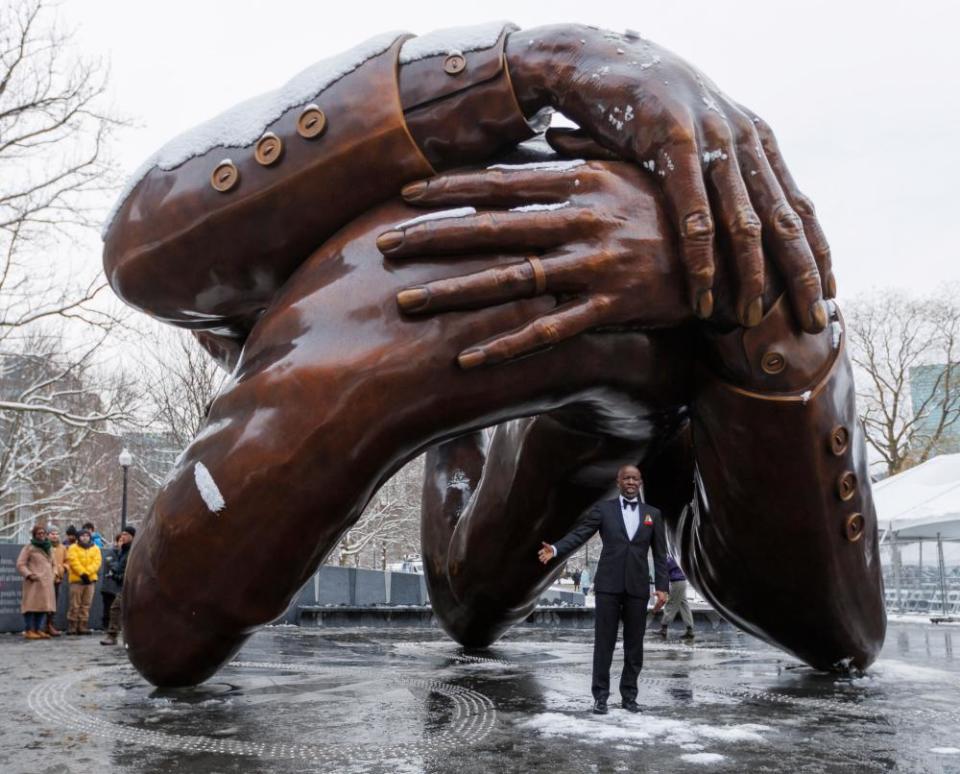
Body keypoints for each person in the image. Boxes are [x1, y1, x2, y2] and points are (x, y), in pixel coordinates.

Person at [538, 465, 667, 715]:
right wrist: (555, 549)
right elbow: (580, 534)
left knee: (634, 646)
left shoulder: (653, 514)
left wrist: (662, 587)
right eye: (626, 478)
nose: (630, 482)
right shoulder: (603, 510)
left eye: (635, 478)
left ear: (640, 483)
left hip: (638, 588)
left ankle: (629, 696)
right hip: (608, 586)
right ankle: (600, 697)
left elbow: (660, 554)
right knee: (604, 643)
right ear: (618, 482)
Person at [16, 525, 56, 641]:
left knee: (43, 607)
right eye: (39, 533)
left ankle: (38, 629)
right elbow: (20, 564)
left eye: (43, 533)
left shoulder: (49, 548)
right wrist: (29, 575)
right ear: (34, 535)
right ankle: (29, 630)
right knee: (30, 606)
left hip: (47, 583)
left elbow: (53, 563)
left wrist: (54, 574)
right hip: (34, 582)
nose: (42, 535)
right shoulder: (29, 547)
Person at [101, 526, 135, 646]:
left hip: (132, 584)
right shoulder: (123, 550)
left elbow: (123, 568)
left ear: (132, 536)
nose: (122, 537)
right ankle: (113, 634)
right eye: (122, 534)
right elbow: (120, 569)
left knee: (116, 608)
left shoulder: (132, 550)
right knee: (117, 608)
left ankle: (113, 634)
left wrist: (112, 564)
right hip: (125, 584)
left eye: (125, 534)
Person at [65, 528, 102, 635]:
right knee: (74, 604)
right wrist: (82, 573)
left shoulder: (96, 548)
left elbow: (97, 562)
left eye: (87, 535)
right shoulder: (72, 548)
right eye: (82, 535)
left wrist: (88, 573)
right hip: (77, 580)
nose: (85, 537)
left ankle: (83, 626)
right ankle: (72, 626)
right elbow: (73, 561)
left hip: (90, 581)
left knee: (86, 604)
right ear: (78, 537)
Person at [659, 555, 695, 642]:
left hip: (677, 582)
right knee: (684, 605)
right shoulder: (677, 555)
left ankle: (664, 627)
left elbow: (668, 565)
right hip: (681, 581)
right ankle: (689, 630)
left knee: (671, 603)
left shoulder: (674, 556)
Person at [46, 527, 66, 637]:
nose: (54, 536)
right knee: (44, 603)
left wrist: (62, 569)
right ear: (48, 535)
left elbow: (67, 561)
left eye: (56, 534)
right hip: (45, 579)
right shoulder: (44, 546)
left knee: (54, 603)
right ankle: (42, 625)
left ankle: (50, 624)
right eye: (52, 534)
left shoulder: (62, 548)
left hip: (57, 579)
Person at [99, 536, 121, 631]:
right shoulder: (110, 553)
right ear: (116, 542)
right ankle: (106, 626)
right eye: (120, 541)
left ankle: (116, 626)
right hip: (109, 587)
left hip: (119, 586)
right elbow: (113, 565)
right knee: (108, 608)